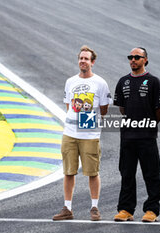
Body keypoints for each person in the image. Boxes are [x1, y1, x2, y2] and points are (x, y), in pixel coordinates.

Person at [53, 45, 112, 221]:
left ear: (92, 62)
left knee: (92, 172)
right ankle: (67, 208)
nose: (83, 61)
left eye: (86, 59)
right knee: (68, 172)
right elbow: (68, 106)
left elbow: (104, 109)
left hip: (90, 134)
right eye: (81, 58)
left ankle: (94, 207)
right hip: (69, 133)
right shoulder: (70, 81)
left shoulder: (100, 83)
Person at [113, 47, 160, 222]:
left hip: (147, 137)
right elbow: (122, 108)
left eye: (137, 57)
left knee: (151, 174)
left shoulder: (154, 81)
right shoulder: (123, 82)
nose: (133, 59)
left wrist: (148, 124)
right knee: (127, 174)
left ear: (145, 60)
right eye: (131, 57)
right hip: (127, 137)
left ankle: (152, 210)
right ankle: (126, 209)